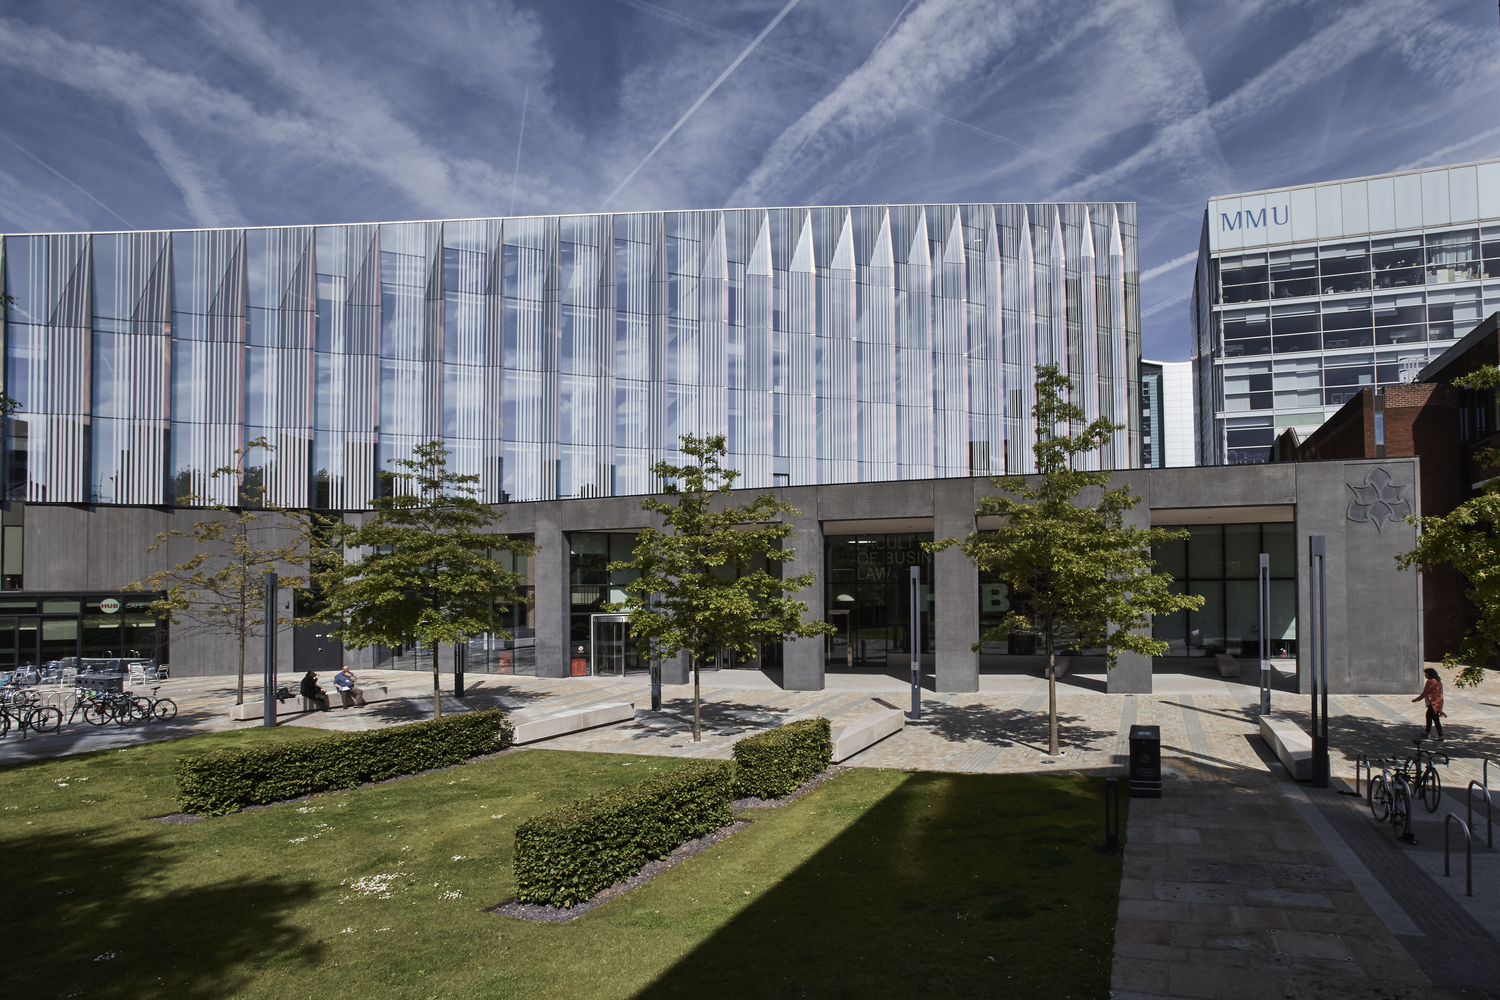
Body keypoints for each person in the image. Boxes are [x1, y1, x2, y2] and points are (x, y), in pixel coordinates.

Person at [1412, 667, 1445, 741]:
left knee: (1435, 720)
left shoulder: (1430, 682)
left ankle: (1440, 736)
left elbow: (1425, 692)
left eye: (1425, 674)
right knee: (1430, 717)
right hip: (1437, 703)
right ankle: (1428, 732)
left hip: (1433, 703)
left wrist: (1417, 699)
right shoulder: (1438, 681)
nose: (1425, 675)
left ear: (1429, 674)